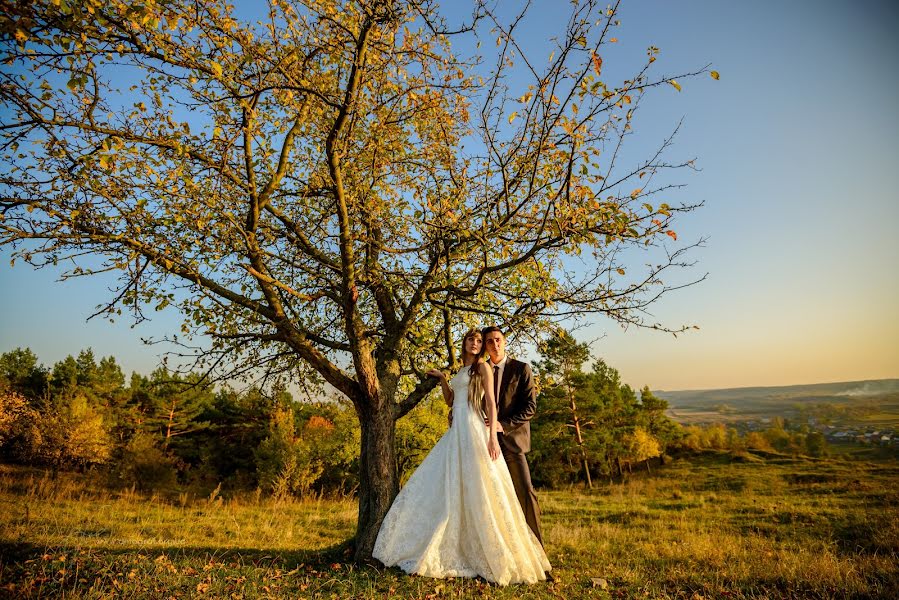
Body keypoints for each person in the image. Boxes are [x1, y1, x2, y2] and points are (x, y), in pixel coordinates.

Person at [372, 329, 550, 586]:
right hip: (458, 431)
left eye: (484, 341)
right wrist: (444, 379)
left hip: (484, 431)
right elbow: (451, 400)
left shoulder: (493, 369)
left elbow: (491, 402)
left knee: (504, 489)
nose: (480, 344)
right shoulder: (463, 370)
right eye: (475, 340)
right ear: (465, 343)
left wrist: (491, 434)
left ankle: (531, 548)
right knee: (452, 482)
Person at [481, 325, 544, 546]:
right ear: (484, 346)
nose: (494, 344)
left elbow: (530, 407)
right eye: (489, 341)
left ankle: (538, 550)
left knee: (525, 493)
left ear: (504, 341)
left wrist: (503, 425)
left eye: (497, 339)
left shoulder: (521, 369)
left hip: (512, 442)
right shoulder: (479, 371)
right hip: (483, 443)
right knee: (490, 498)